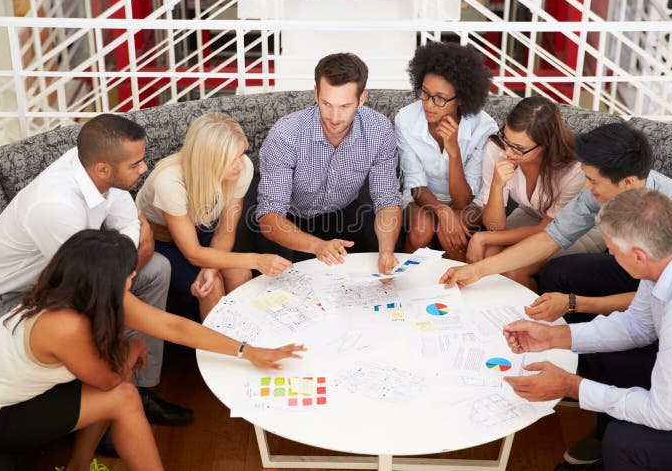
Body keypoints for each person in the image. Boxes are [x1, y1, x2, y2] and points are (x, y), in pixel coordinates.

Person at [0, 229, 304, 471]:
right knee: (124, 397)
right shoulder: (63, 324)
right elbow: (108, 381)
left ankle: (77, 468)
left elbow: (173, 326)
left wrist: (248, 350)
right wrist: (131, 346)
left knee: (119, 387)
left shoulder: (80, 291)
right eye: (129, 273)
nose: (134, 277)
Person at [0, 114, 190, 437]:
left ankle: (138, 389)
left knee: (156, 269)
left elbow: (129, 224)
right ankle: (105, 411)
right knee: (96, 308)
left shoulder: (96, 170)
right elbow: (90, 286)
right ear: (103, 168)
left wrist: (130, 255)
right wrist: (133, 254)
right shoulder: (56, 206)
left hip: (56, 284)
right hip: (1, 307)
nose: (144, 169)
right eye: (136, 164)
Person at [500, 189, 672, 470]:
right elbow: (637, 326)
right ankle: (603, 441)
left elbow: (663, 414)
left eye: (613, 252)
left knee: (624, 442)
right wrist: (552, 336)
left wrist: (571, 385)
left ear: (639, 256)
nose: (611, 256)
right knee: (601, 356)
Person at [441, 123, 672, 322]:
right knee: (556, 272)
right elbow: (550, 238)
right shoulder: (601, 188)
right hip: (631, 263)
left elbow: (657, 299)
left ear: (626, 183)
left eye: (592, 180)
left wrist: (574, 304)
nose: (586, 186)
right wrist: (479, 270)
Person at [256, 53, 403, 274]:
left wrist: (386, 251)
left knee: (382, 255)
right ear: (316, 94)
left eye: (345, 106)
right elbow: (271, 214)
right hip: (290, 218)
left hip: (344, 211)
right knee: (282, 274)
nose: (334, 117)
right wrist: (317, 246)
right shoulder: (285, 134)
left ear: (361, 99)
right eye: (326, 103)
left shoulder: (379, 130)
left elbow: (387, 199)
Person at [136, 113, 292, 320]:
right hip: (160, 240)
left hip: (201, 227)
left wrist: (211, 267)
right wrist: (257, 260)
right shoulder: (169, 182)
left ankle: (247, 338)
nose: (240, 164)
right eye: (230, 160)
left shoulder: (242, 168)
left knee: (240, 272)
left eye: (240, 154)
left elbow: (225, 232)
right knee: (211, 286)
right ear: (207, 159)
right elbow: (192, 252)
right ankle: (218, 351)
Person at [395, 41, 497, 262]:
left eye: (440, 98)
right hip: (423, 198)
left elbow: (462, 201)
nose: (429, 105)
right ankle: (403, 282)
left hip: (470, 203)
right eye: (424, 93)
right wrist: (442, 211)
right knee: (422, 229)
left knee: (451, 228)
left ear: (460, 98)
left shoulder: (484, 128)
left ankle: (456, 286)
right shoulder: (406, 119)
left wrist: (454, 151)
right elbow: (415, 186)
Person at [470, 97, 585, 289]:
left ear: (545, 145)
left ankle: (533, 315)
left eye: (519, 148)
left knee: (513, 271)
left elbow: (549, 229)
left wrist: (481, 237)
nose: (509, 152)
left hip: (575, 228)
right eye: (506, 140)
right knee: (489, 254)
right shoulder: (497, 148)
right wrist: (497, 186)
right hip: (532, 216)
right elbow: (493, 227)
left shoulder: (573, 170)